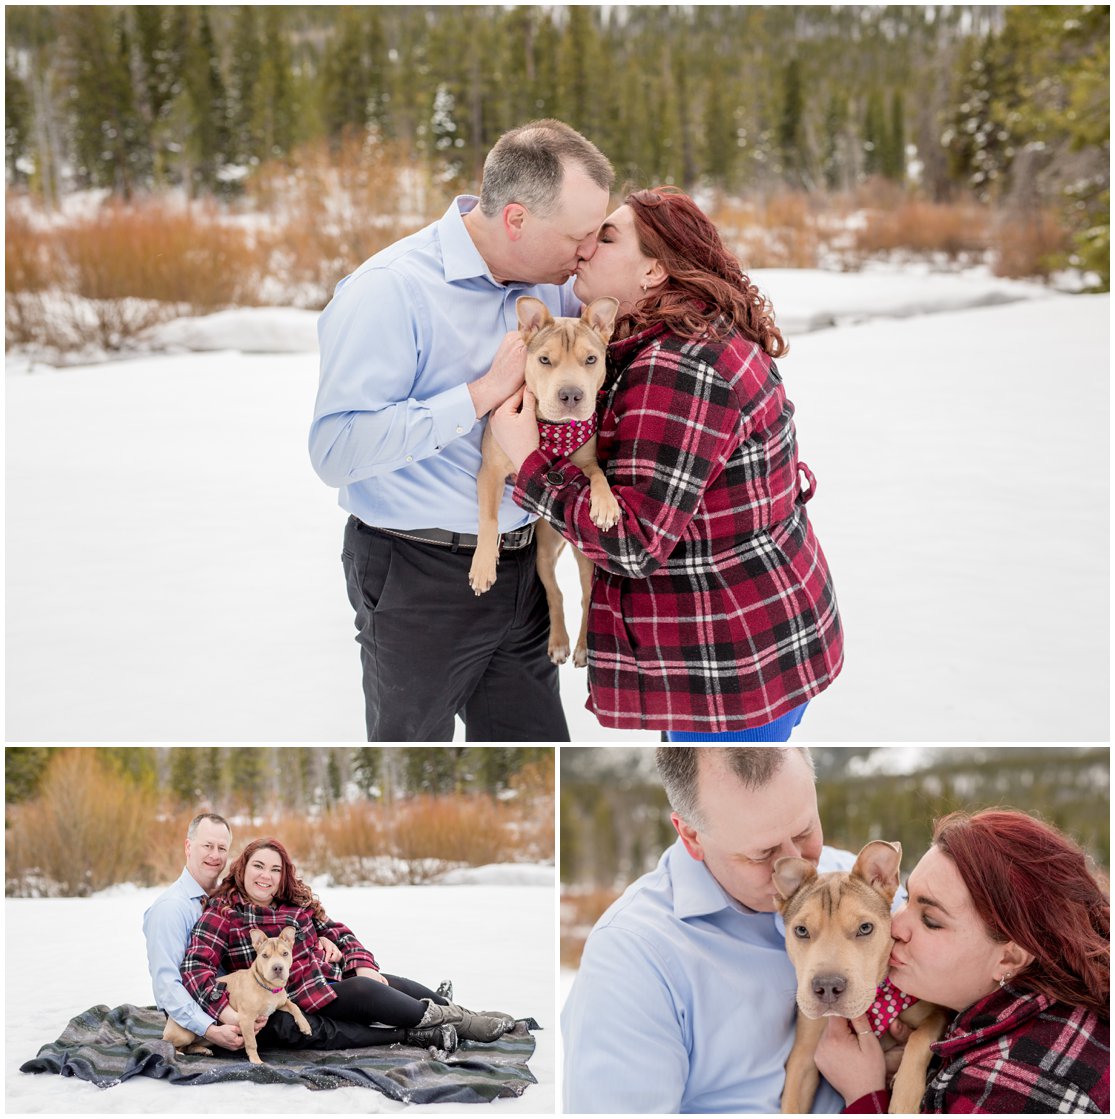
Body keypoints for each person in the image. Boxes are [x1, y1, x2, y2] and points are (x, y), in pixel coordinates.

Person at [490, 187, 843, 740]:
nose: (583, 248)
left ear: (653, 271)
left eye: (605, 238)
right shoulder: (681, 333)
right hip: (757, 639)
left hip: (729, 666)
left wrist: (527, 461)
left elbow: (633, 543)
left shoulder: (682, 366)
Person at [310, 119, 613, 742]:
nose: (587, 253)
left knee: (536, 750)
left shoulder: (556, 292)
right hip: (416, 574)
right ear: (518, 220)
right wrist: (478, 395)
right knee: (414, 752)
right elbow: (334, 450)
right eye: (579, 236)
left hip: (524, 566)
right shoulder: (390, 291)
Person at [562, 747, 873, 1113]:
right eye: (763, 853)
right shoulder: (633, 956)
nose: (795, 865)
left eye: (805, 832)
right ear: (692, 836)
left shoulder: (851, 885)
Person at [814, 809, 1110, 1113]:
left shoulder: (1016, 1087)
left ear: (1008, 958)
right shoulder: (1058, 1009)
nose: (895, 927)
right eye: (906, 899)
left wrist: (865, 1096)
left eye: (930, 920)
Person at [181, 838, 514, 1051]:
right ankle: (462, 1024)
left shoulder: (293, 907)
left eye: (275, 869)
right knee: (367, 993)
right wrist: (222, 1012)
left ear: (284, 875)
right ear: (242, 868)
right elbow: (196, 968)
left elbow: (339, 931)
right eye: (258, 866)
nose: (265, 876)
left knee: (383, 981)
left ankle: (466, 1014)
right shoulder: (224, 911)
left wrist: (363, 964)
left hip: (330, 977)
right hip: (296, 996)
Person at [144, 813, 412, 1055]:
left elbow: (332, 929)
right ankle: (411, 1030)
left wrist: (323, 942)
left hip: (263, 995)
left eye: (222, 848)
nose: (215, 855)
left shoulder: (226, 898)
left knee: (374, 987)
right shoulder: (174, 909)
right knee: (301, 1023)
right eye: (207, 846)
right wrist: (211, 1027)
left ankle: (435, 1011)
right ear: (188, 846)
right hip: (218, 1010)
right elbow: (170, 987)